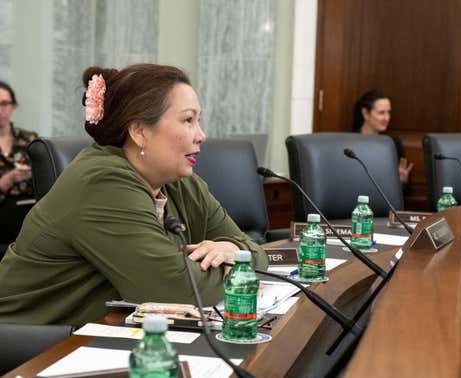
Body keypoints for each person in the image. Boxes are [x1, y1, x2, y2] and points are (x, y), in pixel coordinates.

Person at [0, 64, 268, 326]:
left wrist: (234, 249)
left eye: (199, 120)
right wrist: (240, 267)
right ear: (139, 131)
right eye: (188, 120)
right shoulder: (102, 182)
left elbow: (257, 252)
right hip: (29, 347)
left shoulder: (179, 181)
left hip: (99, 333)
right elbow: (179, 290)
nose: (201, 135)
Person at [0, 81, 38, 245]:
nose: (0, 110)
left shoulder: (29, 139)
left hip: (28, 219)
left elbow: (48, 179)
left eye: (4, 103)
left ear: (13, 106)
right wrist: (7, 180)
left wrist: (33, 174)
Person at [352, 90, 414, 187]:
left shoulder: (393, 144)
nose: (387, 118)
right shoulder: (349, 142)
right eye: (381, 113)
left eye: (388, 112)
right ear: (365, 113)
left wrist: (402, 181)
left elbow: (406, 190)